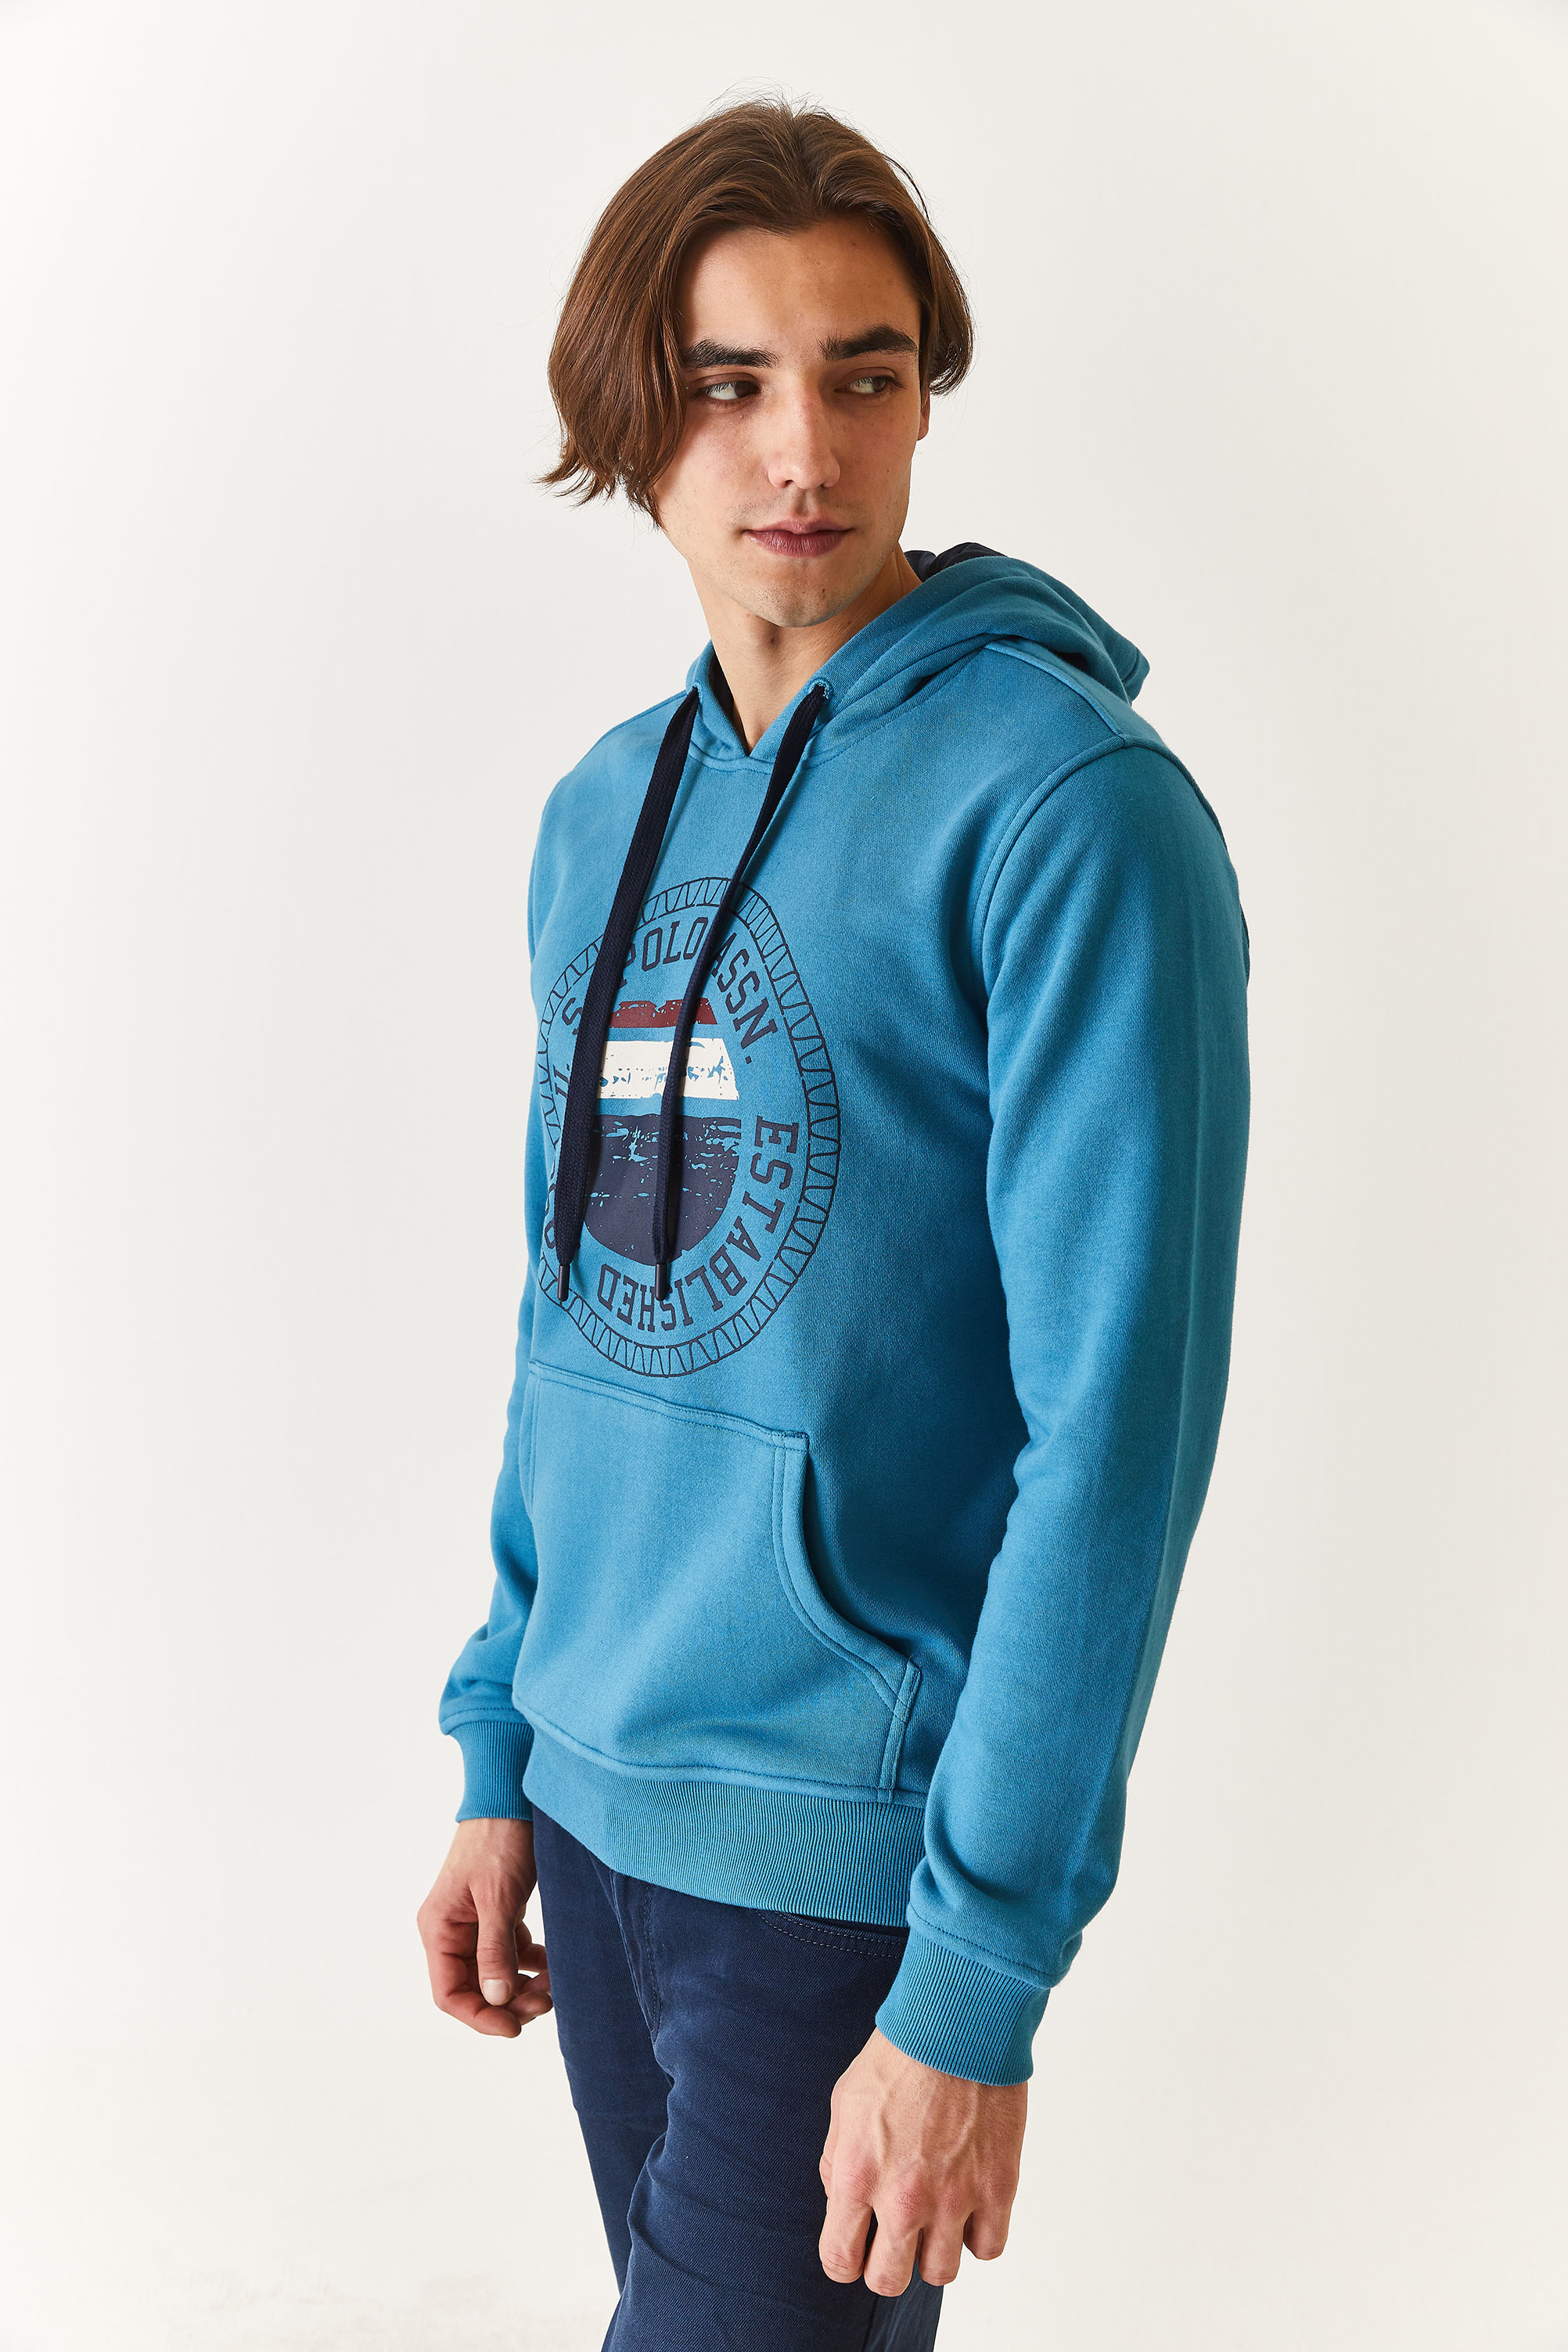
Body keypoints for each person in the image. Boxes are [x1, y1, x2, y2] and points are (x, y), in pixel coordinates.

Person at [416, 96, 1250, 2351]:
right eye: (730, 383)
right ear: (630, 416)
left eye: (864, 377)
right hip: (592, 1815)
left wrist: (976, 1980)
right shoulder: (602, 811)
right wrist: (501, 1739)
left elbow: (1117, 1435)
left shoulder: (1069, 813)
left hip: (838, 1856)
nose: (805, 451)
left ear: (921, 400)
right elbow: (572, 1307)